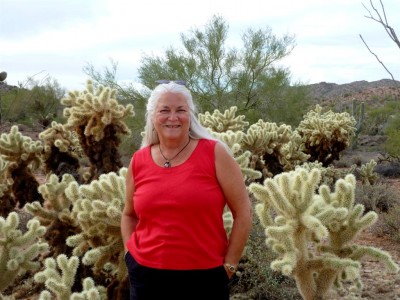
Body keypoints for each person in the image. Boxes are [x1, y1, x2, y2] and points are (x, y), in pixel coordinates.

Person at [121, 80, 252, 300]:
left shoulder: (214, 153)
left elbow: (243, 212)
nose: (173, 117)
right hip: (146, 278)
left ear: (190, 115)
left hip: (204, 280)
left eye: (180, 110)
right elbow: (128, 214)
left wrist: (229, 265)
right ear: (153, 116)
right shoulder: (139, 160)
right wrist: (129, 257)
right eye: (164, 110)